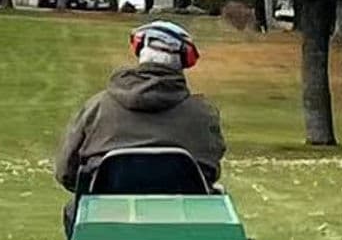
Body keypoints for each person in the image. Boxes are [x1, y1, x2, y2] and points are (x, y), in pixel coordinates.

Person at [52, 21, 227, 215]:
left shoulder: (97, 106)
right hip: (180, 218)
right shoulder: (204, 114)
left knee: (72, 211)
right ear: (185, 61)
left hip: (107, 217)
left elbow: (66, 173)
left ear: (139, 50)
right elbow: (210, 171)